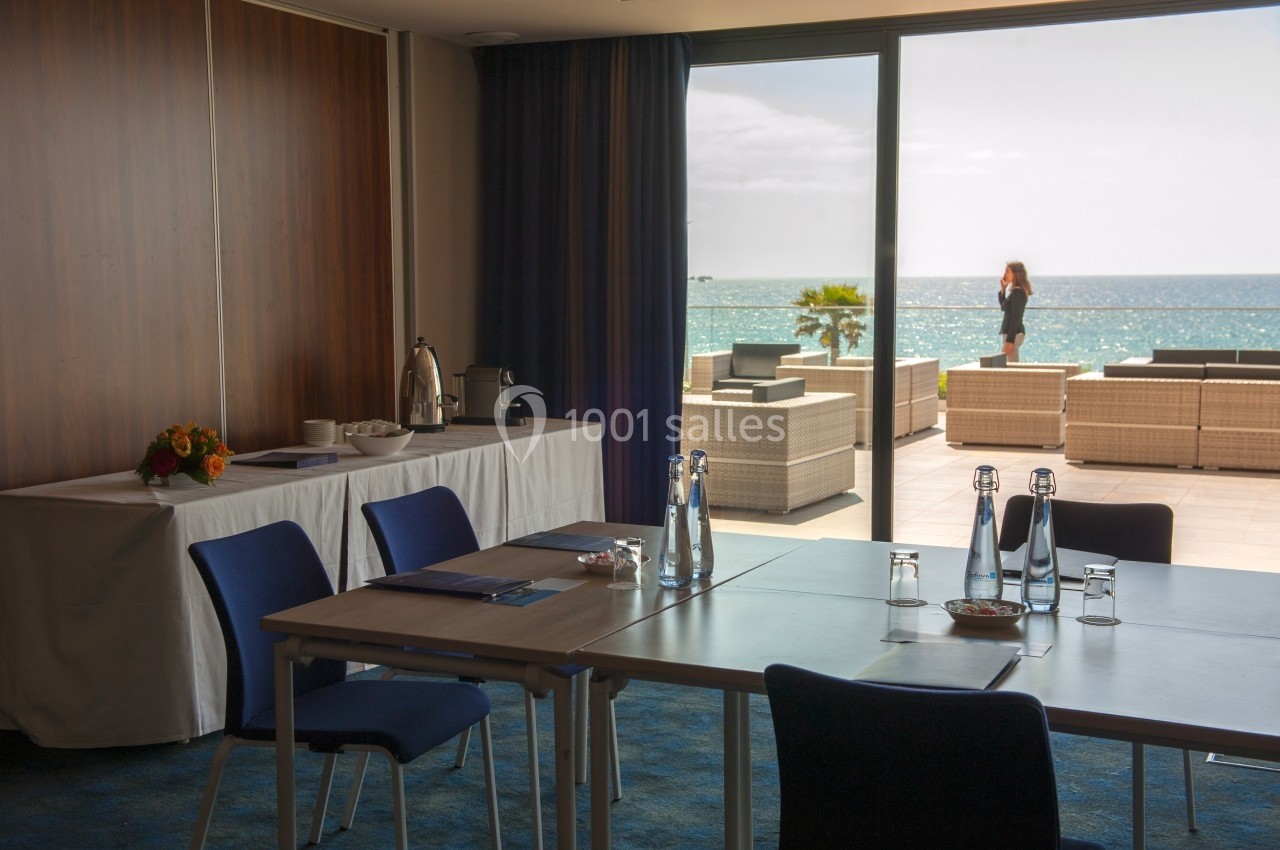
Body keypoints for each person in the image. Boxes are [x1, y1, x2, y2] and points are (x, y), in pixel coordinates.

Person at [998, 260, 1033, 362]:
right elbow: (1004, 307)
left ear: (1016, 274)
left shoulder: (1017, 292)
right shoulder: (1015, 291)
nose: (1005, 274)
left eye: (1007, 271)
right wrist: (1003, 289)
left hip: (1012, 334)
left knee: (1011, 368)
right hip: (1011, 333)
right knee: (1008, 366)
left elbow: (1016, 317)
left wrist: (1010, 341)